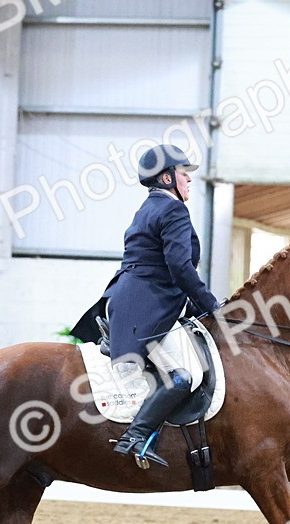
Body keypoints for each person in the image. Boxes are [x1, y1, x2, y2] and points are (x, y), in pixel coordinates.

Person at [71, 144, 220, 468]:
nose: (189, 181)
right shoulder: (174, 210)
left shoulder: (148, 208)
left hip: (129, 299)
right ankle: (136, 437)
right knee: (182, 377)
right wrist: (211, 304)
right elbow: (180, 267)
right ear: (168, 177)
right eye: (184, 174)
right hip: (146, 307)